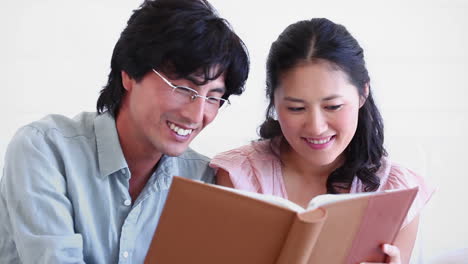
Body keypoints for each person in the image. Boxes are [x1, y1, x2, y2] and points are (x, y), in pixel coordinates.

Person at [0, 0, 249, 263]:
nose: (196, 116)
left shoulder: (202, 179)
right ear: (129, 74)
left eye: (213, 98)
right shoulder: (44, 149)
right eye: (183, 89)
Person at [210, 18, 433, 264]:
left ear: (362, 94)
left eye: (333, 106)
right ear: (274, 102)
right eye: (296, 108)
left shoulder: (396, 191)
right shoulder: (240, 177)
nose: (316, 127)